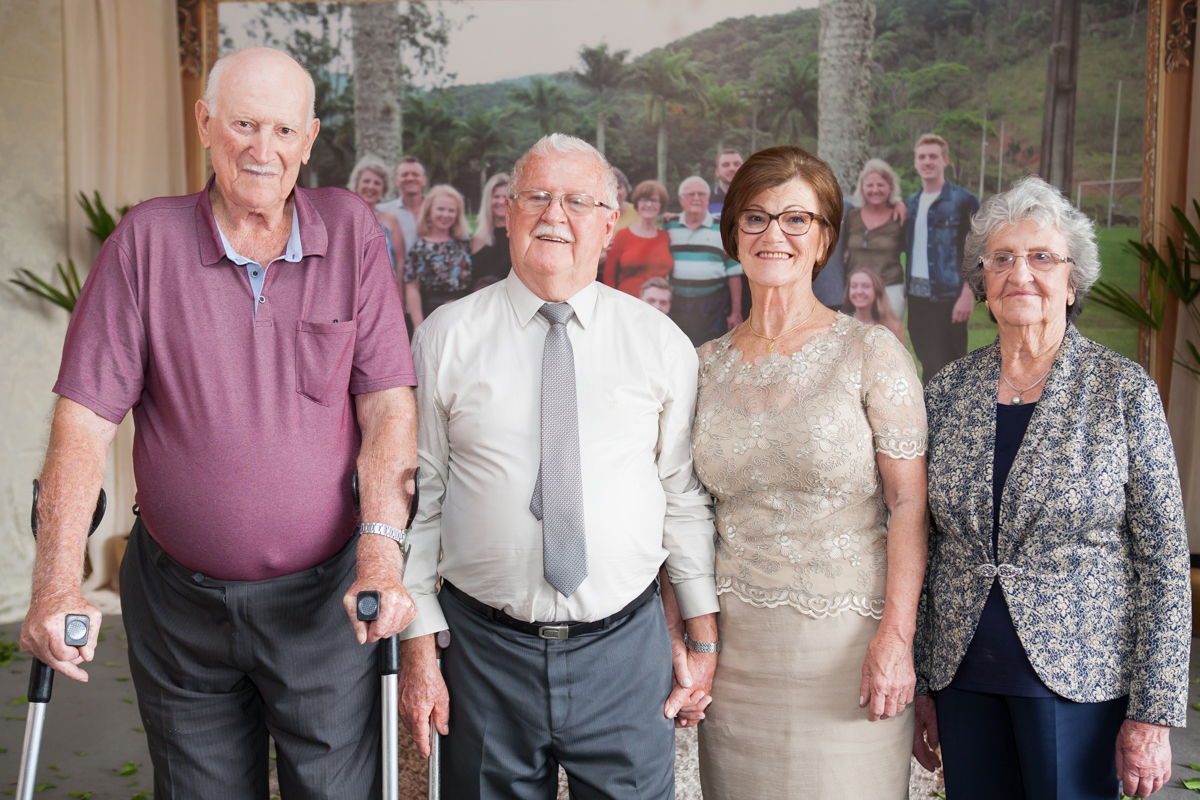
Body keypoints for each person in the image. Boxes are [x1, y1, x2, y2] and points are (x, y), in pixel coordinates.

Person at [18, 47, 419, 798]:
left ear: (309, 138)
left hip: (326, 605)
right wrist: (54, 583)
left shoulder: (353, 233)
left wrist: (380, 559)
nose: (262, 149)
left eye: (281, 129)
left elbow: (388, 406)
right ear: (205, 124)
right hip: (181, 610)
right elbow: (82, 424)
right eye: (242, 123)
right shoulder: (145, 243)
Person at [399, 133, 720, 800]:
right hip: (482, 657)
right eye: (538, 197)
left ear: (611, 222)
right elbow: (420, 500)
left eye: (578, 200)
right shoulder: (443, 339)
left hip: (626, 653)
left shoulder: (660, 344)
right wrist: (420, 647)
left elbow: (680, 496)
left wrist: (701, 634)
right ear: (508, 213)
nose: (555, 215)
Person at [912, 176, 1189, 800]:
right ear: (983, 285)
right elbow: (925, 545)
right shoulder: (946, 393)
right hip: (964, 678)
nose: (1021, 273)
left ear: (1072, 282)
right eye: (1002, 259)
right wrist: (925, 679)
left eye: (1042, 257)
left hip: (1081, 682)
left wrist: (1154, 713)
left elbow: (1164, 562)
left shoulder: (1123, 391)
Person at [691, 145, 929, 799]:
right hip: (735, 658)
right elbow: (683, 512)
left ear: (824, 238)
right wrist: (689, 640)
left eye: (797, 219)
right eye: (757, 217)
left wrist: (897, 638)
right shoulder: (702, 366)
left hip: (850, 652)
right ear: (733, 232)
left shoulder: (870, 352)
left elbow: (910, 505)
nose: (775, 235)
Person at [904, 134, 979, 382]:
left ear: (945, 160)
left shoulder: (963, 201)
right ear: (915, 163)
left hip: (949, 297)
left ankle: (954, 417)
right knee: (928, 361)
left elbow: (977, 250)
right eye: (922, 157)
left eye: (933, 156)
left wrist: (967, 294)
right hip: (917, 299)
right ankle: (931, 416)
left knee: (953, 363)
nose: (927, 161)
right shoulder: (911, 204)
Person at [666, 176, 744, 345]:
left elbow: (734, 274)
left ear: (708, 198)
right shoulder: (669, 226)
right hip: (677, 303)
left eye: (701, 194)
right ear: (681, 199)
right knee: (678, 349)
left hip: (713, 306)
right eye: (691, 194)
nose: (696, 198)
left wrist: (735, 312)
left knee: (710, 352)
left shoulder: (723, 229)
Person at [844, 159, 907, 320]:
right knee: (856, 342)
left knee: (886, 342)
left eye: (880, 185)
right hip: (856, 291)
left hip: (890, 289)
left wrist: (899, 204)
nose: (875, 190)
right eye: (870, 185)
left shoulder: (899, 217)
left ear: (890, 187)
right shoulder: (852, 215)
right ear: (862, 188)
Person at [404, 184, 473, 328]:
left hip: (466, 314)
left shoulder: (465, 242)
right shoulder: (419, 249)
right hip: (434, 315)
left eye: (451, 210)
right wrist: (419, 326)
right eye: (440, 209)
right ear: (429, 211)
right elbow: (412, 289)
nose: (445, 215)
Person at [602, 179, 673, 298]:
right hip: (627, 304)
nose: (649, 205)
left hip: (657, 306)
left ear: (661, 205)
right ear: (637, 203)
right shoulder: (622, 235)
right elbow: (609, 276)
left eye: (654, 201)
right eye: (644, 200)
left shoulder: (665, 236)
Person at [349, 155, 407, 294]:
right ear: (357, 184)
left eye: (377, 183)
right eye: (366, 181)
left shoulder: (390, 220)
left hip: (383, 293)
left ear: (383, 189)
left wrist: (398, 299)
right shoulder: (344, 218)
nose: (371, 187)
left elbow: (400, 263)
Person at [377, 155, 427, 257]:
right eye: (404, 175)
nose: (410, 178)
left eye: (415, 174)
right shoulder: (382, 212)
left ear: (424, 180)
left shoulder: (438, 211)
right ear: (397, 180)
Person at [843, 265, 905, 344]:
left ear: (877, 291)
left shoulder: (893, 326)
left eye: (866, 286)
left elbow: (900, 355)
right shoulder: (840, 325)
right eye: (854, 286)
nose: (859, 291)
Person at [470, 172, 512, 283]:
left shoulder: (520, 237)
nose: (500, 201)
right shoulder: (479, 238)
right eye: (496, 197)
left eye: (505, 197)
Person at [708, 148, 743, 216]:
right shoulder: (706, 199)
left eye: (736, 164)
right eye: (726, 165)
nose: (732, 168)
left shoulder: (756, 197)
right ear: (717, 172)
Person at [612, 166, 639, 232]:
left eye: (618, 187)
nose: (614, 192)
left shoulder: (638, 211)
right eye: (608, 188)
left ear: (626, 189)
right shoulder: (593, 214)